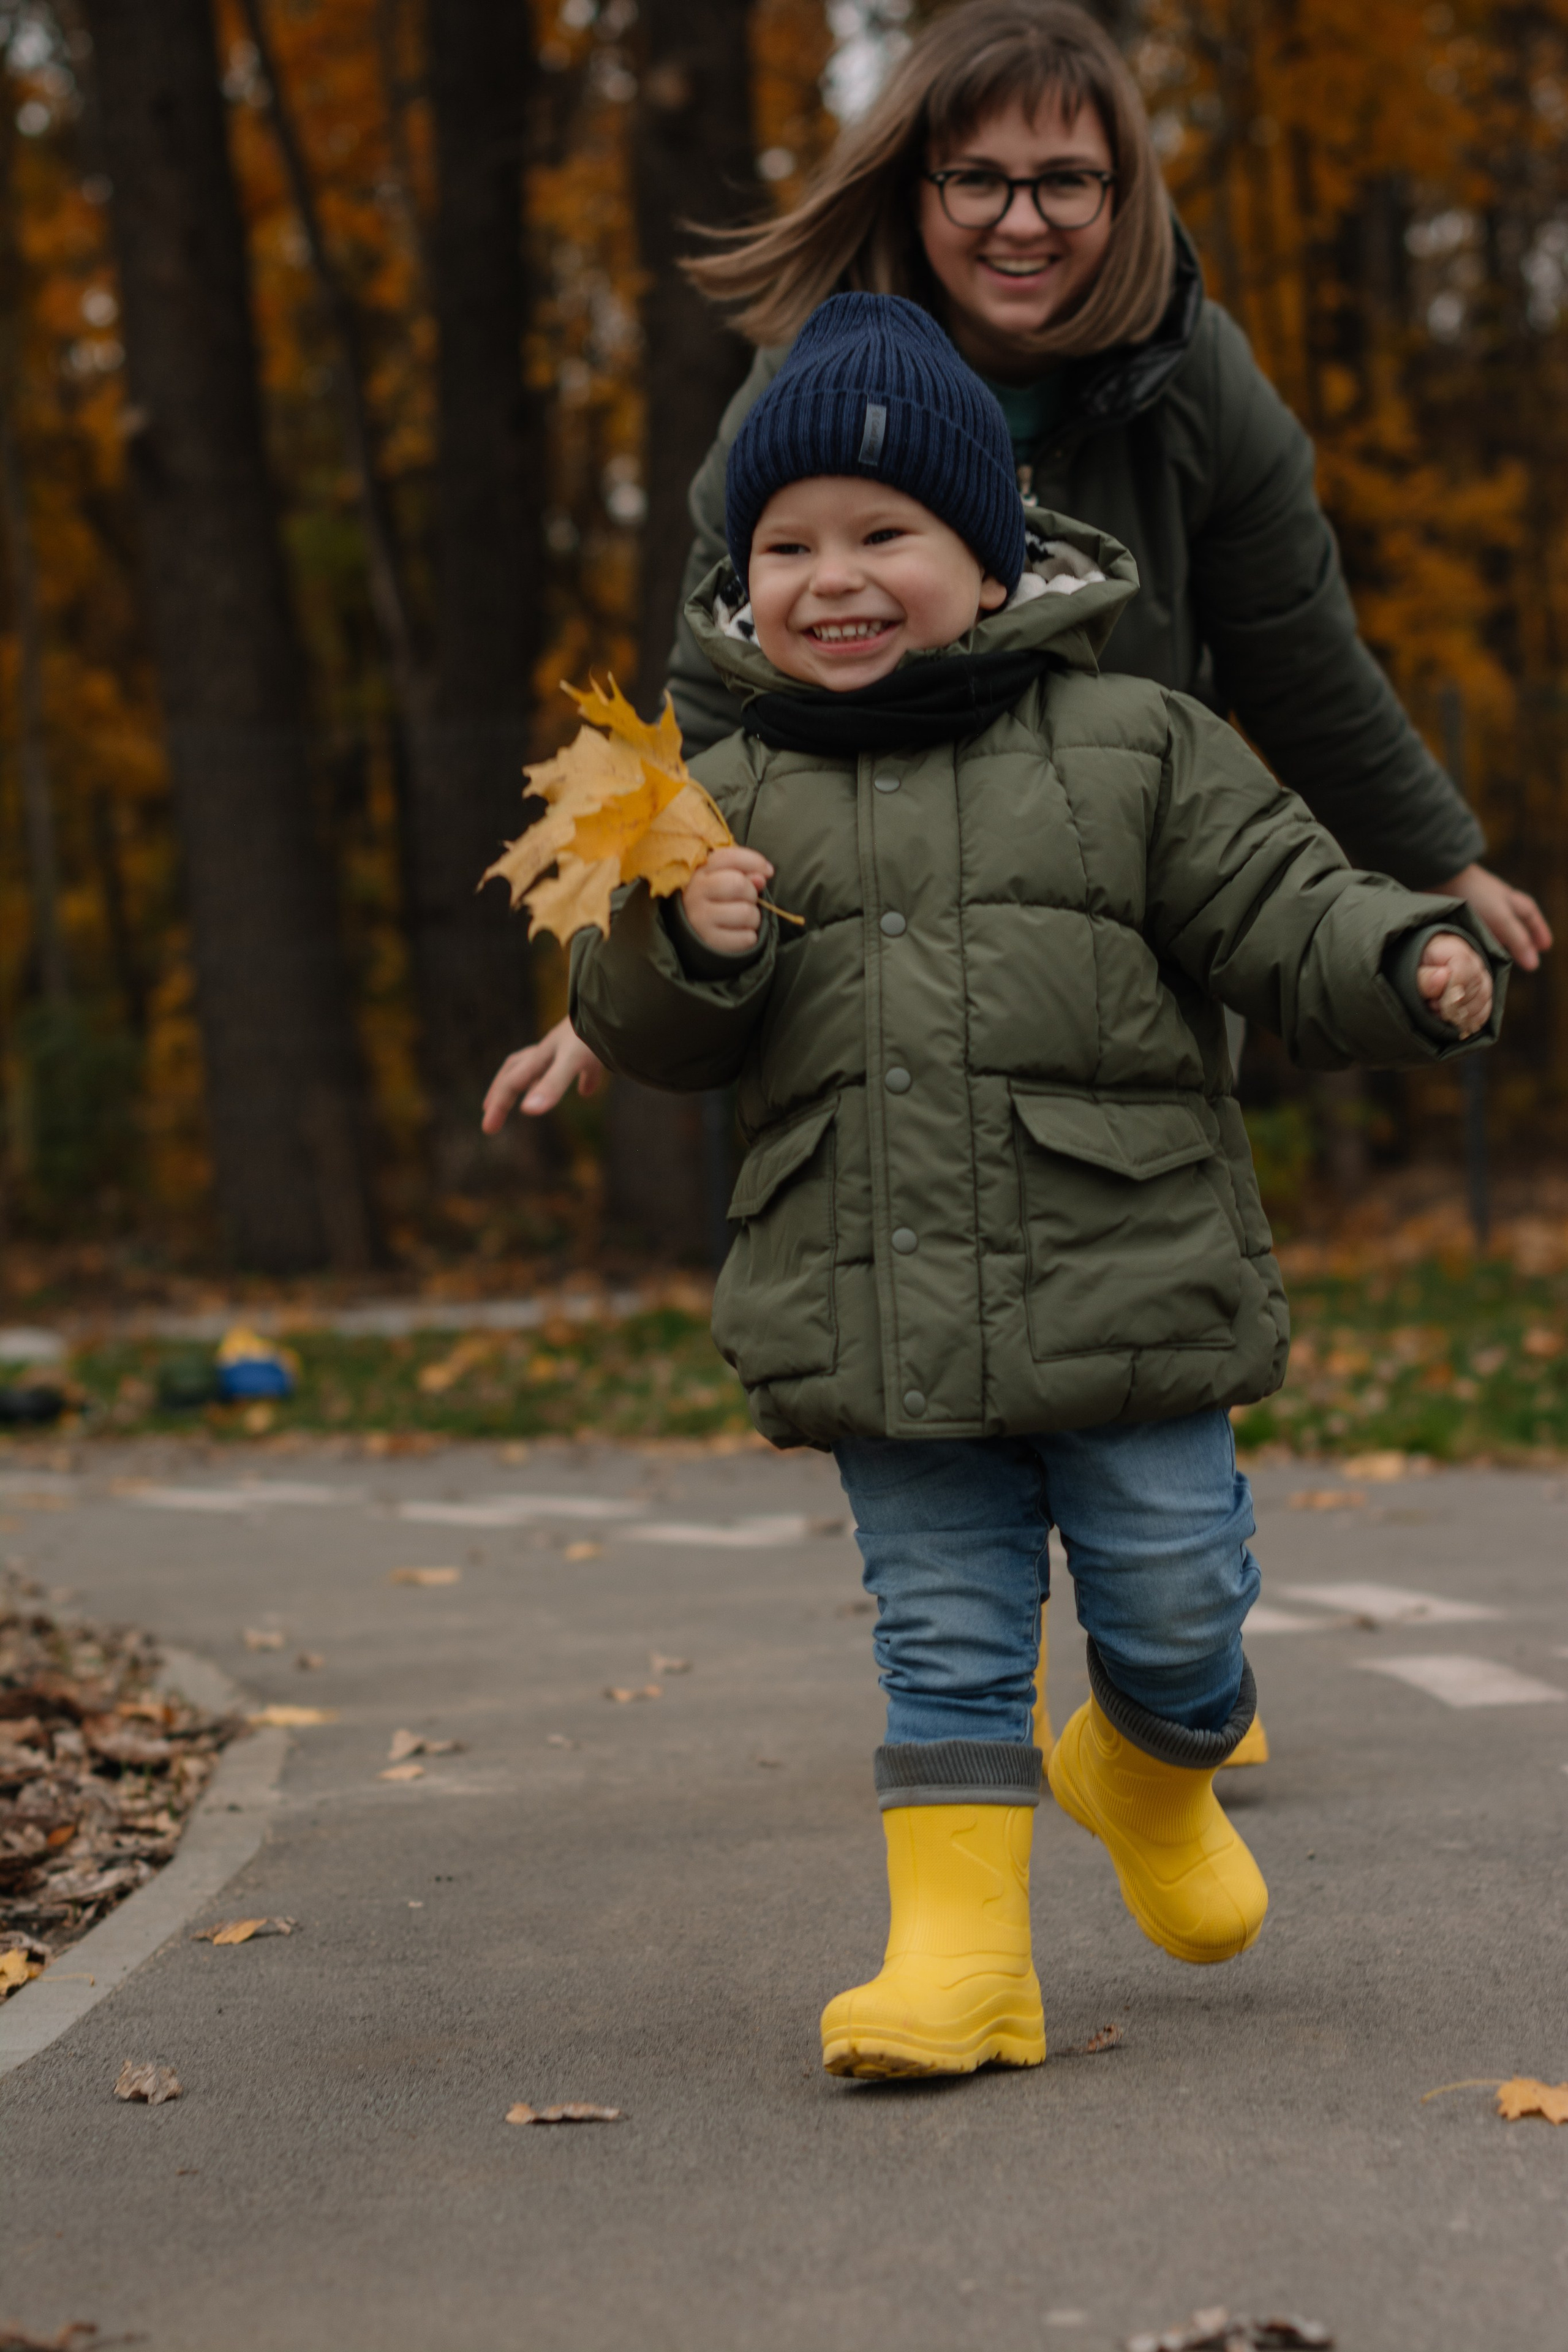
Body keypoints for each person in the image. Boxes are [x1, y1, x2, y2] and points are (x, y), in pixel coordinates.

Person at [558, 290, 1504, 2080]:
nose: (831, 578)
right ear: (741, 577)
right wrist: (688, 945)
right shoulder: (712, 794)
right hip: (876, 1286)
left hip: (1124, 1274)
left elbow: (1285, 906)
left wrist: (1403, 958)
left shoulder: (1134, 744)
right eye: (786, 546)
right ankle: (962, 1964)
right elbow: (641, 1027)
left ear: (990, 564)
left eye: (883, 535)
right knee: (946, 1638)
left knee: (1174, 1597)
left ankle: (1145, 1764)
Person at [485, 0, 1547, 1138]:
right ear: (915, 185)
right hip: (872, 992)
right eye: (977, 180)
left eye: (1065, 181)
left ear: (1121, 192)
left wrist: (1435, 860)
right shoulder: (804, 399)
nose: (1022, 222)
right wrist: (613, 989)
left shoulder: (1200, 388)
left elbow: (1298, 655)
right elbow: (713, 691)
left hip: (1113, 951)